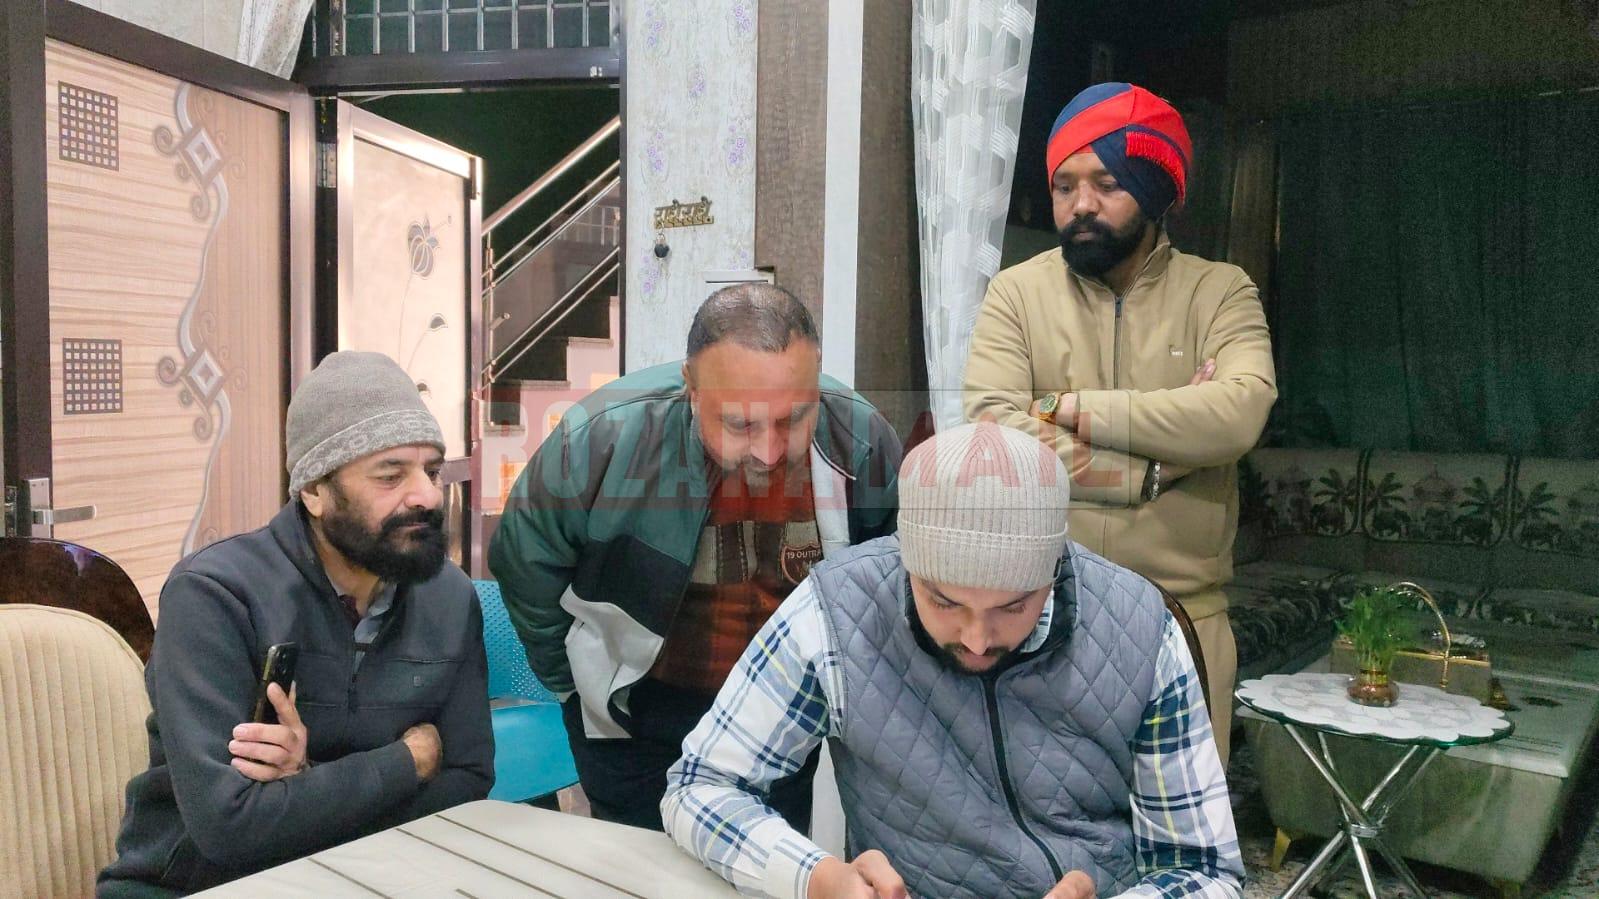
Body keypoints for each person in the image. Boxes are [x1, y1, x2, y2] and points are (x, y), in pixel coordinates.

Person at [663, 422, 1242, 899]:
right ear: (906, 563)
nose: (977, 639)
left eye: (1013, 606)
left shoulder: (1138, 627)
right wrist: (816, 878)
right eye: (943, 601)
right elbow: (699, 786)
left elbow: (1204, 869)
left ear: (1055, 568)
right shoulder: (837, 612)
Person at [489, 283, 900, 832]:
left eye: (794, 418)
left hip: (779, 723)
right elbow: (524, 564)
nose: (769, 451)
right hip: (637, 722)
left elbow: (890, 579)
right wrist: (578, 686)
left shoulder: (860, 439)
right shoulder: (599, 440)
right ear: (691, 387)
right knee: (635, 871)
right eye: (740, 424)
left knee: (767, 871)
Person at [99, 352, 494, 896]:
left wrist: (307, 789)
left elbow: (469, 781)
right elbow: (228, 827)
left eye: (431, 470)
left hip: (368, 880)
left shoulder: (448, 596)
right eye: (390, 475)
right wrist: (409, 760)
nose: (427, 494)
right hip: (195, 886)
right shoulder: (215, 595)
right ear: (313, 491)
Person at [963, 82, 1278, 763]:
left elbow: (1239, 413)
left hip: (1182, 617)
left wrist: (1069, 409)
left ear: (1154, 190)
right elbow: (992, 428)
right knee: (1042, 818)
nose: (1080, 204)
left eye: (1106, 184)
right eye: (1064, 186)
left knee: (1177, 820)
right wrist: (1151, 470)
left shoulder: (1220, 291)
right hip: (1041, 613)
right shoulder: (1015, 293)